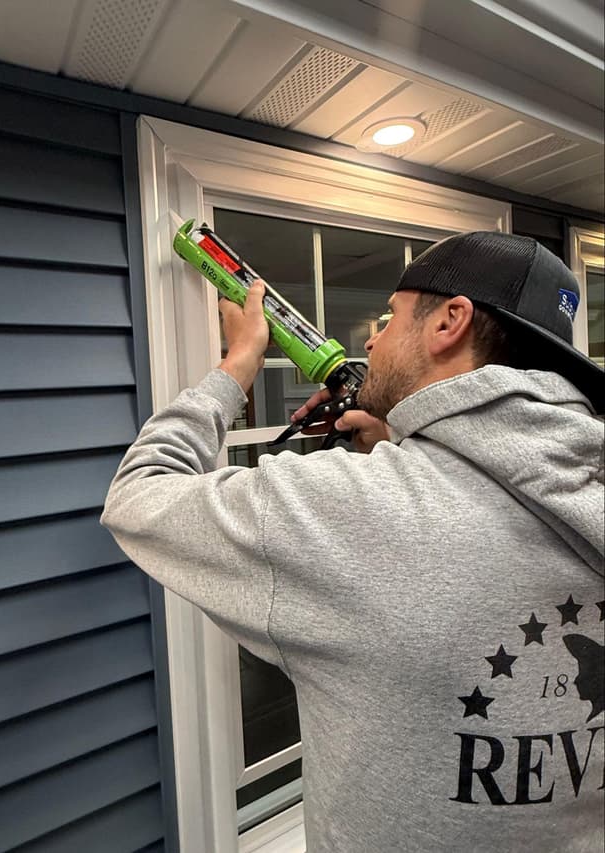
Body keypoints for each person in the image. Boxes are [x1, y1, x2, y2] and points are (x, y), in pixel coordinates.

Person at [101, 231, 604, 853]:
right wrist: (407, 446)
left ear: (451, 321)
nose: (372, 339)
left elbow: (139, 494)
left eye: (391, 318)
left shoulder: (340, 509)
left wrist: (237, 366)